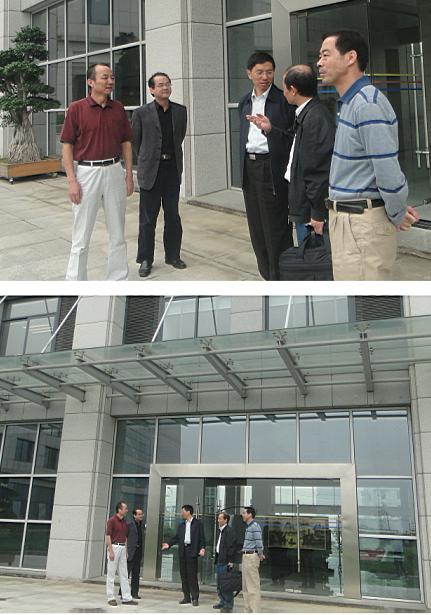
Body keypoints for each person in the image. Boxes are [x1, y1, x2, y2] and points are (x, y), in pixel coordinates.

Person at [317, 30, 419, 280]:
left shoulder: (367, 104)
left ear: (350, 57)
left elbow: (387, 168)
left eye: (326, 55)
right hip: (350, 223)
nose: (319, 63)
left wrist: (396, 211)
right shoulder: (351, 102)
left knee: (364, 300)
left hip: (360, 226)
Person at [61, 63, 134, 281]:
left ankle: (117, 280)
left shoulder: (118, 108)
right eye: (105, 77)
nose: (110, 81)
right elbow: (67, 146)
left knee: (118, 233)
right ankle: (75, 283)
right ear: (90, 82)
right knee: (81, 235)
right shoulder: (76, 109)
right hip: (87, 173)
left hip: (114, 171)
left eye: (112, 77)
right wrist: (71, 181)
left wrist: (128, 175)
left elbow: (126, 142)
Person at [248, 64, 335, 244]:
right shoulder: (306, 113)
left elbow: (317, 170)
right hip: (303, 204)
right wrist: (270, 129)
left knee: (313, 255)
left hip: (311, 211)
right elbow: (293, 144)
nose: (283, 92)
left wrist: (317, 212)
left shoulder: (315, 118)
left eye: (285, 87)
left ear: (293, 90)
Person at [239, 51, 296, 280]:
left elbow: (293, 138)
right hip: (250, 166)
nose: (265, 77)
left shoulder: (283, 100)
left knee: (276, 227)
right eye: (259, 72)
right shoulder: (245, 102)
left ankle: (281, 276)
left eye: (269, 72)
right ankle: (266, 275)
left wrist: (271, 130)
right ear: (249, 74)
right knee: (256, 228)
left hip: (271, 168)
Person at [132, 72, 188, 278]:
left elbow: (179, 137)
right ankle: (145, 259)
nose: (165, 87)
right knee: (148, 219)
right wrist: (148, 159)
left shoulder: (180, 111)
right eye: (161, 85)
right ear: (152, 89)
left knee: (173, 216)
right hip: (150, 172)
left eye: (168, 84)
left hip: (172, 169)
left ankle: (173, 256)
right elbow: (135, 142)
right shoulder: (141, 113)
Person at [161, 504, 206, 606]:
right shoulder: (182, 524)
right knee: (184, 575)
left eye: (183, 512)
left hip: (192, 551)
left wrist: (202, 548)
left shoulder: (198, 524)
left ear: (188, 512)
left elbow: (202, 538)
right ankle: (186, 597)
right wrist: (169, 544)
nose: (182, 513)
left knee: (192, 575)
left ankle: (195, 598)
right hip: (183, 551)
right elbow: (177, 537)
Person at [105, 501, 137, 606]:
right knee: (111, 574)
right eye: (125, 508)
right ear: (119, 509)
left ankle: (126, 598)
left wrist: (126, 551)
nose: (127, 510)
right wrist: (110, 550)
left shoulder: (125, 522)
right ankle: (110, 597)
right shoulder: (112, 520)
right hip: (114, 547)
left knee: (124, 574)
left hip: (123, 547)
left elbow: (125, 537)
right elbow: (108, 536)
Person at [213, 512, 239, 613]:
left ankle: (228, 605)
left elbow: (232, 547)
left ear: (226, 520)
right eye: (218, 518)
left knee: (226, 584)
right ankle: (222, 601)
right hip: (219, 559)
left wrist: (231, 561)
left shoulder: (229, 531)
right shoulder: (221, 531)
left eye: (220, 518)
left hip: (225, 561)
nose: (218, 520)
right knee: (220, 583)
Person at [241, 507, 265, 613]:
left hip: (251, 557)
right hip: (246, 556)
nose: (242, 515)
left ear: (250, 514)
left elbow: (259, 542)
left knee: (253, 587)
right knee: (246, 586)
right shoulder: (248, 527)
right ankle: (248, 610)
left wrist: (260, 554)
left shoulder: (255, 526)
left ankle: (255, 611)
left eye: (244, 513)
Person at [125, 507, 144, 600]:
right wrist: (126, 551)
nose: (141, 516)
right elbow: (125, 537)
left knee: (136, 573)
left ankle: (135, 593)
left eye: (142, 514)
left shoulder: (142, 525)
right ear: (134, 515)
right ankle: (123, 591)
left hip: (138, 552)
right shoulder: (129, 524)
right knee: (126, 573)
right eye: (139, 514)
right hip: (130, 551)